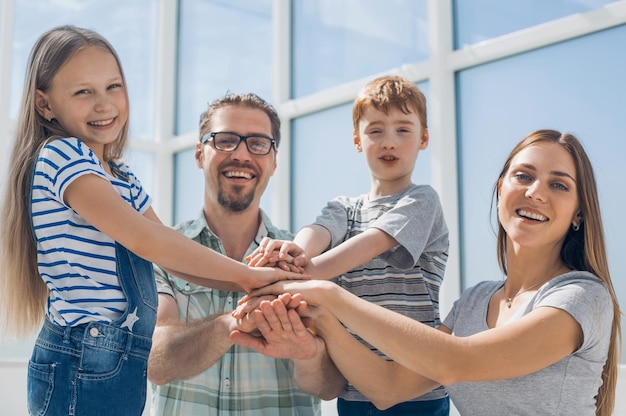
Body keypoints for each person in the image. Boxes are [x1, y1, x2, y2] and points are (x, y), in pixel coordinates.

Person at [0, 26, 302, 416]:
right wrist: (251, 278)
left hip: (118, 356)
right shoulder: (62, 155)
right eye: (83, 92)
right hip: (80, 356)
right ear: (45, 105)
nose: (104, 104)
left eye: (113, 87)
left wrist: (254, 278)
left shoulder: (120, 175)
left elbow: (172, 255)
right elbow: (147, 240)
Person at [235, 129, 622, 416]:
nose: (536, 192)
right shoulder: (475, 301)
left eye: (559, 184)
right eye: (523, 176)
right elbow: (388, 388)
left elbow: (454, 362)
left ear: (578, 214)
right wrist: (317, 314)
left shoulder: (582, 296)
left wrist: (328, 293)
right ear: (500, 188)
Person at [245, 75, 450, 415]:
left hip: (417, 389)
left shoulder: (422, 200)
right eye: (376, 131)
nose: (389, 142)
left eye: (403, 130)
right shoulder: (343, 207)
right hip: (354, 388)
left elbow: (370, 244)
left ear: (423, 138)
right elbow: (317, 232)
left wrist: (292, 276)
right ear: (357, 140)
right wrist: (289, 253)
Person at [147, 92, 345, 415]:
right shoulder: (162, 252)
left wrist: (307, 353)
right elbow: (156, 360)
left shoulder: (303, 264)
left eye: (257, 143)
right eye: (225, 140)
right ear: (199, 154)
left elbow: (330, 386)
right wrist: (232, 324)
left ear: (274, 162)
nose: (241, 155)